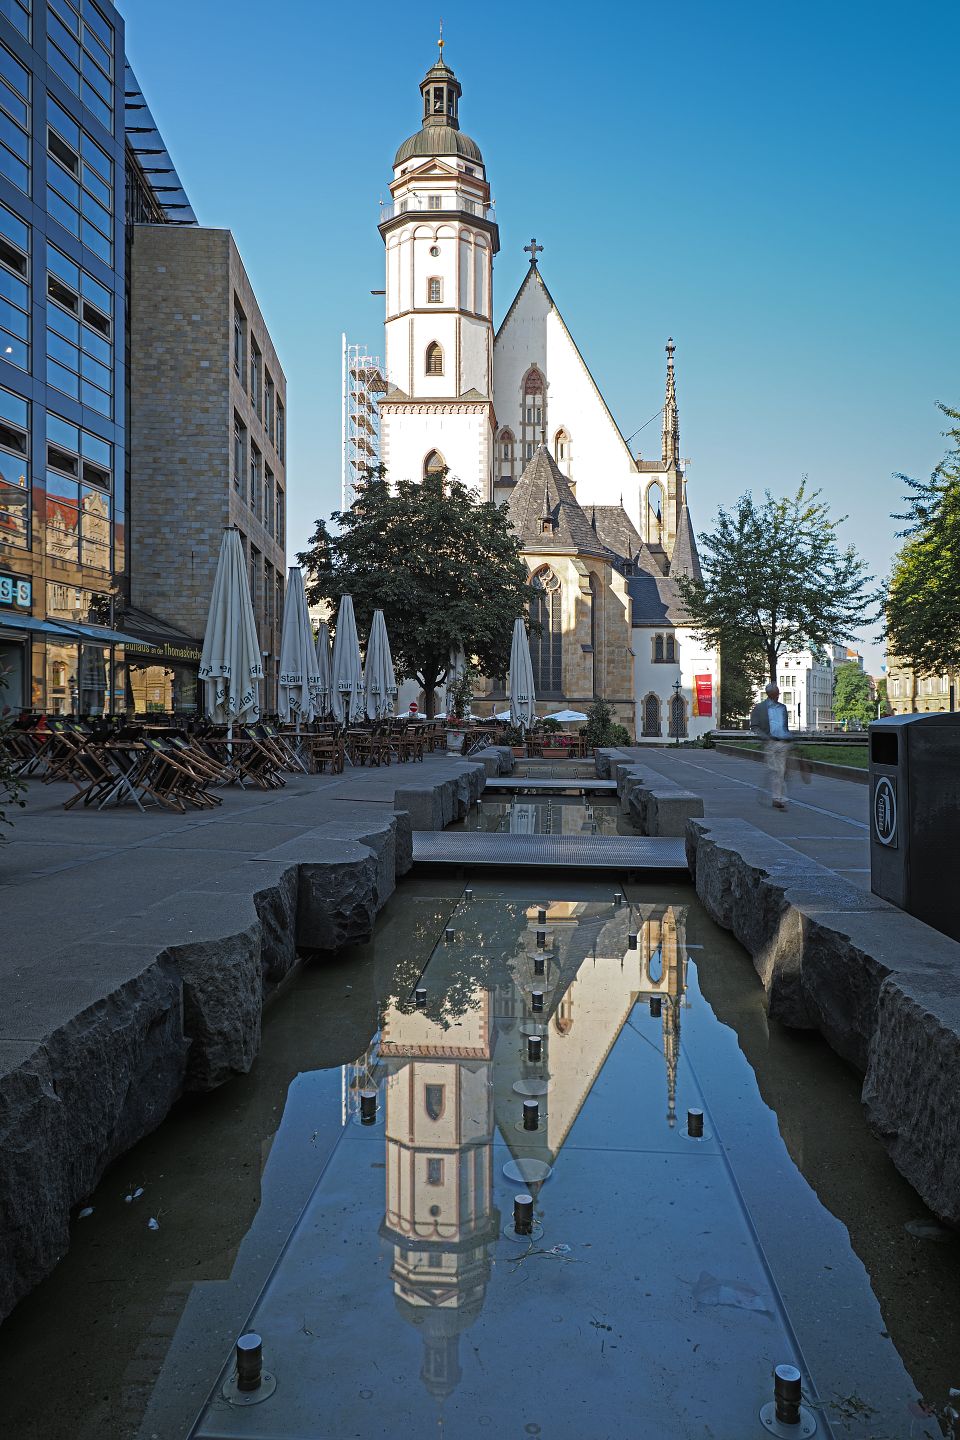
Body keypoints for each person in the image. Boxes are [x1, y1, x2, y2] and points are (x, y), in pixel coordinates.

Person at [750, 682, 792, 810]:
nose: (778, 696)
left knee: (782, 771)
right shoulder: (760, 708)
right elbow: (754, 726)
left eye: (778, 693)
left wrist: (789, 737)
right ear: (770, 694)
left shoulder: (782, 708)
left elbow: (784, 726)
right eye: (776, 694)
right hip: (770, 743)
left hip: (783, 742)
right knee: (775, 770)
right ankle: (778, 798)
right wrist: (765, 738)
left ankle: (779, 798)